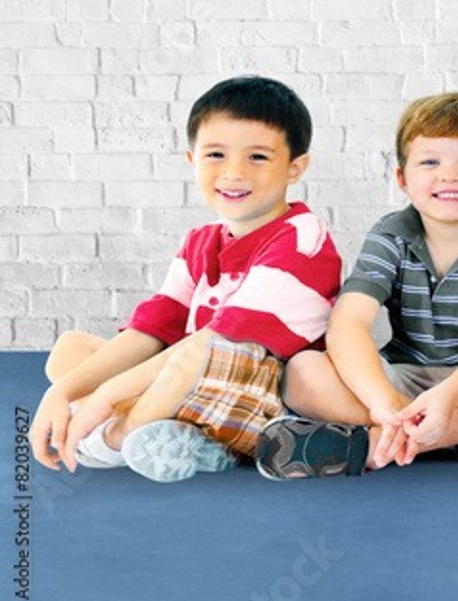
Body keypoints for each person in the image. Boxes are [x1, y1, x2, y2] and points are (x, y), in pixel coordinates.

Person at [29, 76, 342, 482]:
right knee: (71, 348)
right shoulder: (201, 240)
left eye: (258, 158)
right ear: (192, 160)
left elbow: (216, 342)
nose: (233, 173)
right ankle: (183, 437)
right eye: (216, 154)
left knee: (191, 355)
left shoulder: (302, 238)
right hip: (188, 377)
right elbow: (155, 328)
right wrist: (62, 392)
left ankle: (114, 440)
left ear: (295, 167)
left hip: (259, 397)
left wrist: (105, 396)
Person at [256, 92, 458, 479]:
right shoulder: (391, 234)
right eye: (430, 162)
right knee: (304, 371)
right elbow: (349, 323)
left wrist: (449, 396)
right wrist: (384, 403)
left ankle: (374, 445)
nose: (449, 175)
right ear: (403, 179)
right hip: (408, 377)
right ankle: (443, 436)